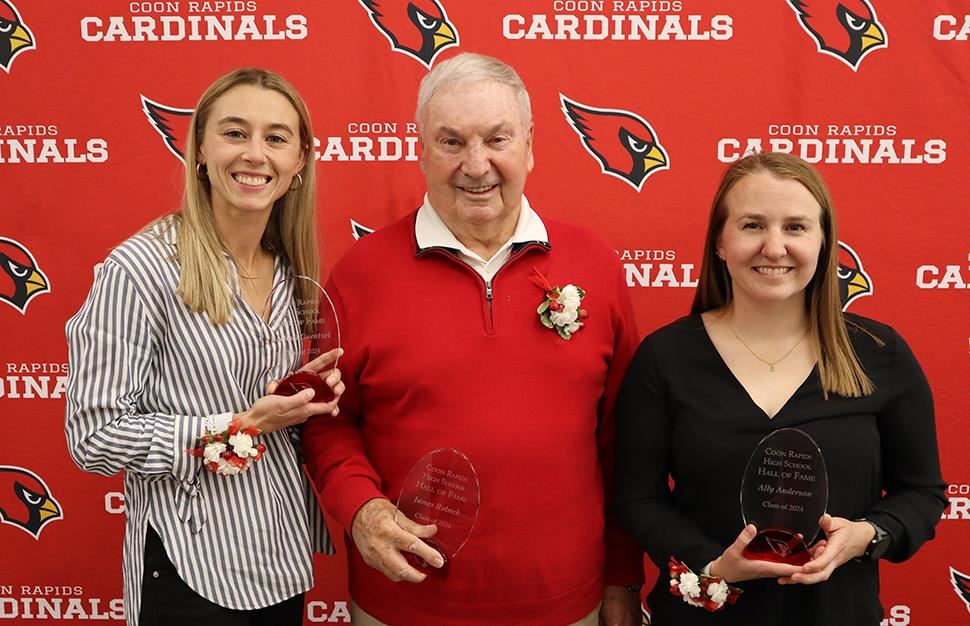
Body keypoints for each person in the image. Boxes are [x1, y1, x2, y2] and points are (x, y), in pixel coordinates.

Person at [302, 52, 643, 626]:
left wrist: (622, 578)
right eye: (452, 142)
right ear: (420, 149)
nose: (476, 164)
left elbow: (623, 439)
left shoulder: (596, 263)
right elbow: (325, 422)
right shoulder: (359, 273)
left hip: (565, 603)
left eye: (496, 139)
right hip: (401, 605)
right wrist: (360, 508)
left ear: (530, 145)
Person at [614, 151, 947, 625]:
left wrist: (867, 536)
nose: (774, 248)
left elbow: (923, 493)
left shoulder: (879, 353)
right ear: (720, 243)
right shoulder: (665, 358)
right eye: (752, 225)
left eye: (795, 227)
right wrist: (711, 563)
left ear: (824, 242)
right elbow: (637, 499)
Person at [65, 68, 343, 626]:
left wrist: (303, 395)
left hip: (278, 557)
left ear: (300, 162)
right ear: (198, 150)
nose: (255, 154)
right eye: (235, 133)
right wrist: (238, 425)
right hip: (190, 566)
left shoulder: (290, 270)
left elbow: (265, 404)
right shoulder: (140, 269)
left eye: (276, 137)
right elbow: (91, 439)